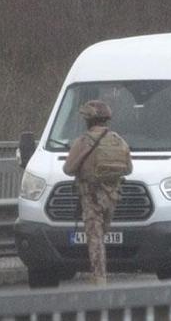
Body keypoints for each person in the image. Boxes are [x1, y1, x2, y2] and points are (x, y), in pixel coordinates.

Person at [63, 100, 132, 285]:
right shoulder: (119, 140)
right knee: (102, 235)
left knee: (95, 238)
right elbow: (128, 169)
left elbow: (68, 169)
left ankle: (99, 279)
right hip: (112, 196)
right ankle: (100, 276)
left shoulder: (84, 141)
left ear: (88, 119)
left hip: (91, 196)